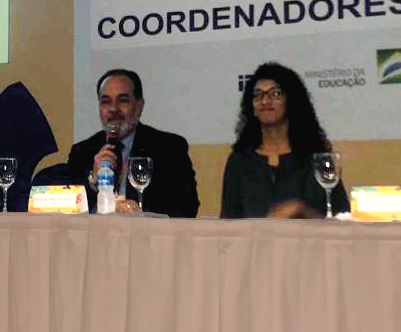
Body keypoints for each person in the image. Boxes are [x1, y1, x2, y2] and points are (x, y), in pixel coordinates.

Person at [220, 62, 348, 219]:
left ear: (291, 102)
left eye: (275, 94)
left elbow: (341, 217)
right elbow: (228, 221)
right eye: (258, 95)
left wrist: (302, 211)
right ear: (252, 108)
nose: (265, 101)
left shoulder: (321, 159)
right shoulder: (239, 160)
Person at [67, 68, 199, 217]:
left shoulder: (169, 148)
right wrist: (93, 180)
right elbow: (68, 207)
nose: (113, 109)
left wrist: (137, 211)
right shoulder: (82, 151)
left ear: (139, 106)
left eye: (122, 100)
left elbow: (187, 206)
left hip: (147, 231)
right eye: (106, 102)